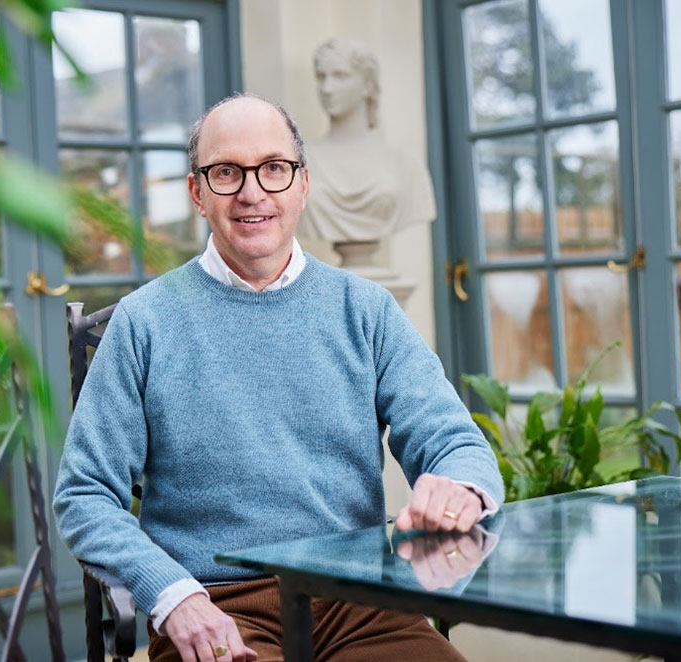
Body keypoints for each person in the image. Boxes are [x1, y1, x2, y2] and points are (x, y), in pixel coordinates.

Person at [53, 93, 503, 662]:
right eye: (226, 172)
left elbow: (455, 441)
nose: (252, 192)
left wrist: (460, 487)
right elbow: (85, 494)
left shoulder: (366, 310)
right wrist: (172, 597)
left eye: (273, 168)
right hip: (220, 607)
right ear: (196, 192)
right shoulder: (144, 321)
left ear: (302, 184)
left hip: (362, 605)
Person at [300, 37, 436, 244]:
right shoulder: (301, 163)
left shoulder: (405, 165)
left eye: (340, 76)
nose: (327, 88)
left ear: (367, 85)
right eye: (321, 77)